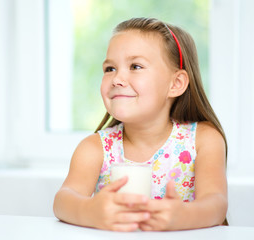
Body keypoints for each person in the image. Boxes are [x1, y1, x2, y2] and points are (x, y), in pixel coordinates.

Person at [53, 17, 228, 232]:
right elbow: (63, 201)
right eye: (110, 68)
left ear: (176, 84)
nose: (117, 79)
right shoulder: (94, 148)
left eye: (135, 66)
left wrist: (183, 217)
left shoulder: (203, 140)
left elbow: (216, 204)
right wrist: (89, 211)